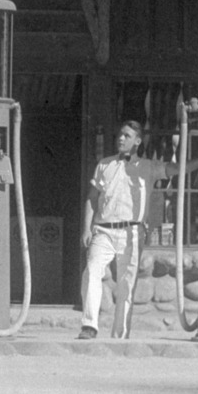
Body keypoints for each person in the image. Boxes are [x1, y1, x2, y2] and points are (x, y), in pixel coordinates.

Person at [79, 120, 150, 339]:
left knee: (126, 284)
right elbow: (92, 198)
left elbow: (175, 169)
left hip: (132, 232)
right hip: (104, 229)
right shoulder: (104, 164)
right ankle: (89, 325)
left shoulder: (148, 167)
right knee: (91, 271)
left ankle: (120, 334)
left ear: (137, 141)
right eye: (120, 135)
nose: (121, 139)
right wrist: (86, 228)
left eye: (127, 136)